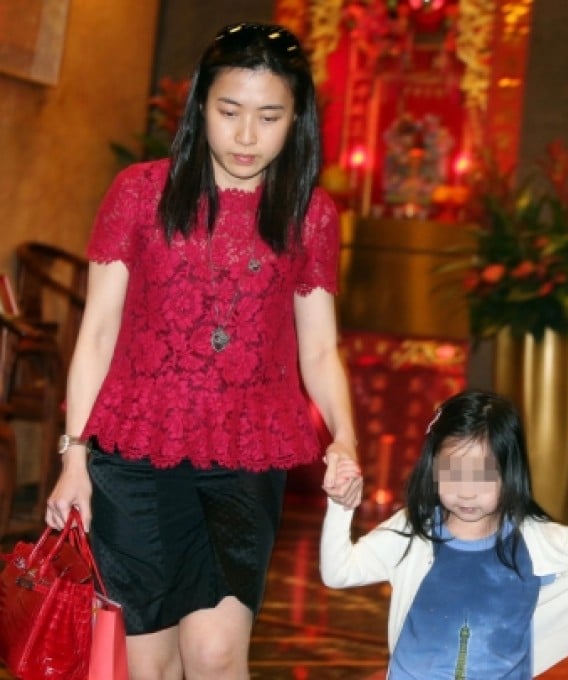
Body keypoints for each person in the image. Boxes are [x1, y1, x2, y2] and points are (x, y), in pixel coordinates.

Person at [44, 22, 363, 680]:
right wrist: (74, 457)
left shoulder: (310, 214)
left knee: (217, 656)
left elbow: (320, 348)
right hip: (132, 455)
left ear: (297, 119)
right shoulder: (139, 192)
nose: (246, 137)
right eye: (230, 112)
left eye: (269, 117)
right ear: (200, 108)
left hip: (245, 456)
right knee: (146, 663)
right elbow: (98, 333)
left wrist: (346, 439)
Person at [320, 389, 568, 678]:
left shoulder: (537, 542)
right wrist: (340, 506)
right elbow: (339, 573)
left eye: (483, 475)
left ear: (509, 472)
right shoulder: (414, 531)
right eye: (453, 474)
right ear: (433, 469)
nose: (467, 492)